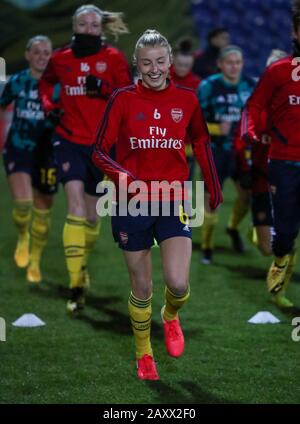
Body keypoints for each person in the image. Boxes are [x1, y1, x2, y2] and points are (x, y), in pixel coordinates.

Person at [92, 29, 222, 380]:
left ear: (170, 64)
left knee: (178, 283)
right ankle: (144, 353)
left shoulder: (187, 99)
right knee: (142, 287)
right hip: (130, 203)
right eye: (146, 62)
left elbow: (201, 141)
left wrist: (212, 184)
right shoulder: (121, 99)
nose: (154, 68)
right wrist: (124, 177)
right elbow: (100, 151)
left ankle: (170, 315)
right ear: (137, 63)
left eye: (160, 62)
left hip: (174, 197)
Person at [39, 4, 131, 313]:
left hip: (103, 146)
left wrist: (104, 87)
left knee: (92, 218)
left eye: (94, 25)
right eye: (83, 24)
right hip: (68, 139)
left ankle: (81, 266)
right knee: (75, 207)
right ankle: (75, 284)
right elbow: (44, 83)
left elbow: (127, 95)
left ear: (101, 29)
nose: (88, 29)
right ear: (74, 27)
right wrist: (49, 107)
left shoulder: (113, 59)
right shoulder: (61, 59)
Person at [241, 3, 300, 307]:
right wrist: (251, 130)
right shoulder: (279, 71)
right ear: (294, 32)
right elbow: (254, 106)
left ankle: (282, 290)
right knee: (287, 231)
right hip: (284, 161)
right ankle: (279, 261)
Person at [0, 35, 58, 284]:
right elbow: (2, 106)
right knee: (23, 204)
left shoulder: (58, 85)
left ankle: (35, 259)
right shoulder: (17, 81)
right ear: (28, 55)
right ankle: (23, 237)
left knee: (43, 209)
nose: (42, 56)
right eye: (37, 52)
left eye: (46, 52)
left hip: (47, 153)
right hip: (18, 147)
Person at [197, 45, 256, 264]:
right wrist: (214, 128)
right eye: (229, 62)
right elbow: (193, 124)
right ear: (220, 64)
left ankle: (232, 228)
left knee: (247, 196)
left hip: (242, 153)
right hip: (215, 152)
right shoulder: (208, 86)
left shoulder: (251, 85)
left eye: (238, 62)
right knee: (213, 201)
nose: (234, 66)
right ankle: (207, 248)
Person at [169, 38, 201, 182]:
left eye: (187, 66)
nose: (182, 68)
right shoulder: (161, 77)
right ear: (172, 61)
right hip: (162, 140)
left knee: (184, 183)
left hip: (186, 143)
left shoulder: (197, 84)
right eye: (180, 65)